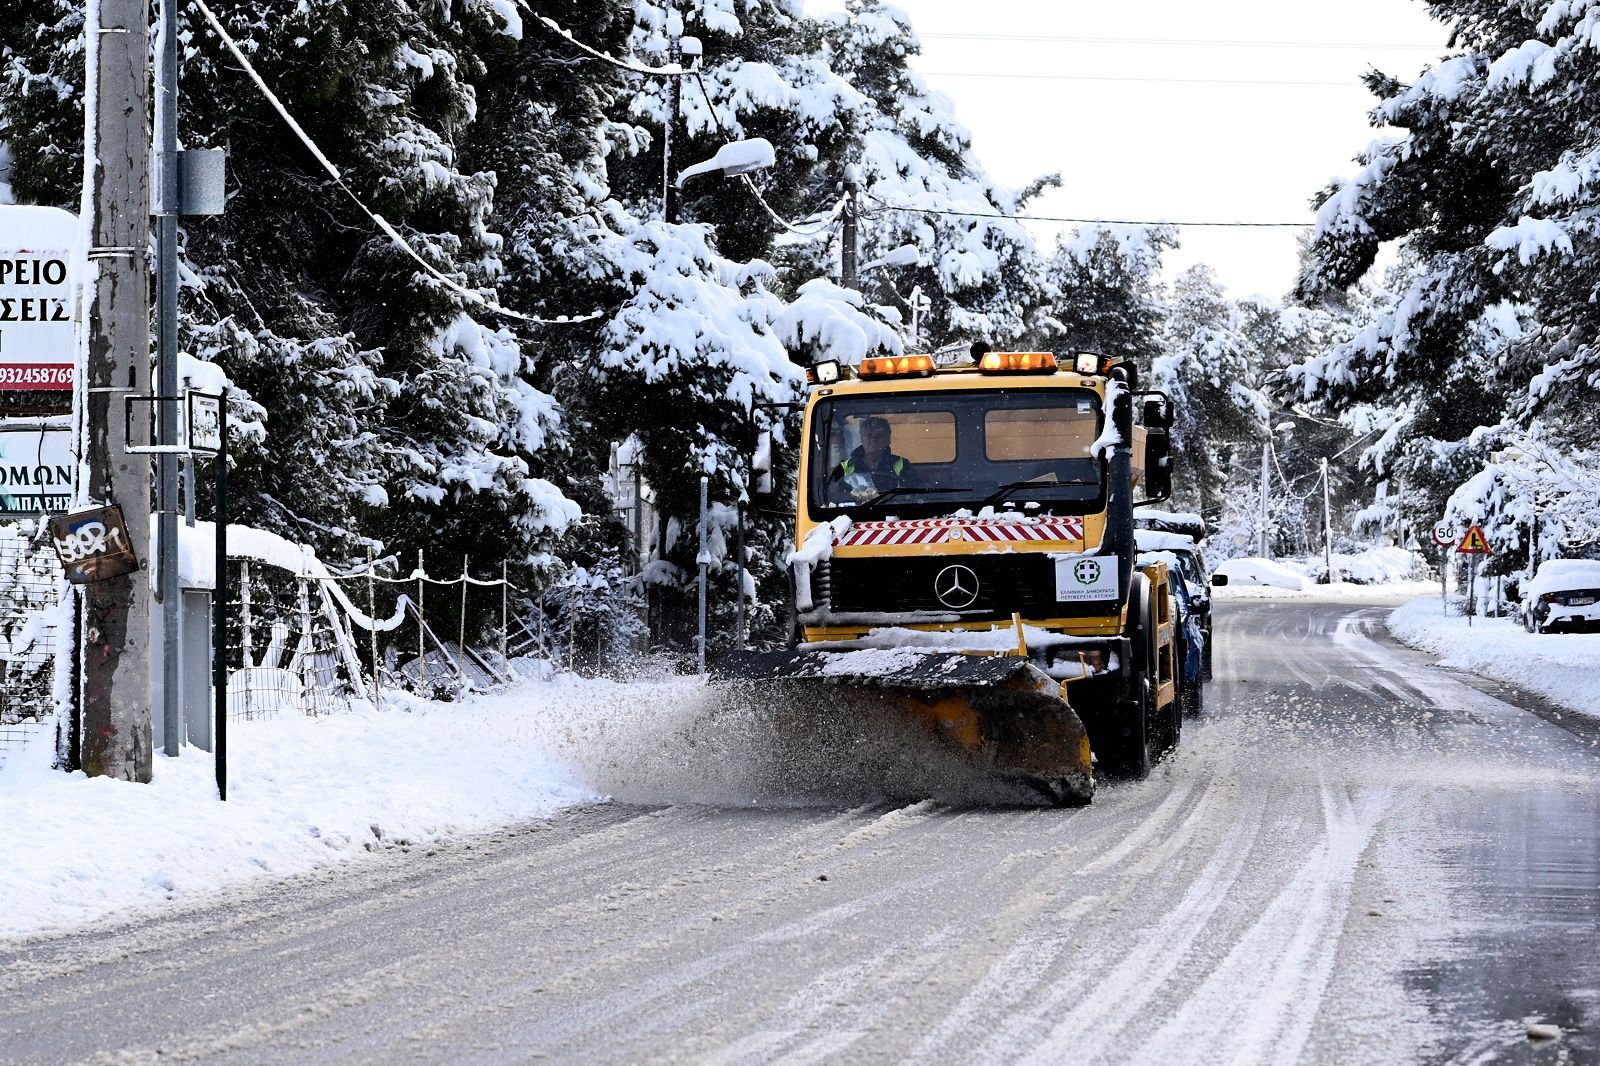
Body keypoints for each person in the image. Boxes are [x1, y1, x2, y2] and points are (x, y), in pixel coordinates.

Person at [830, 415, 917, 499]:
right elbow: (831, 495)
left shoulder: (902, 465)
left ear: (888, 439)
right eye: (868, 435)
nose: (873, 440)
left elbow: (913, 494)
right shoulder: (844, 467)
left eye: (878, 436)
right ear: (861, 439)